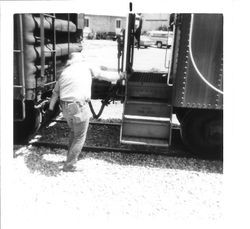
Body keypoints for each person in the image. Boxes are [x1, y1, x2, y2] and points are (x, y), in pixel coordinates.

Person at [46, 52, 123, 172]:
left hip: (65, 107)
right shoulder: (86, 65)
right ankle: (70, 165)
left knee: (74, 133)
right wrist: (121, 76)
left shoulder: (65, 72)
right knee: (79, 137)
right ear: (81, 59)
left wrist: (50, 110)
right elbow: (103, 75)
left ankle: (69, 158)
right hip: (78, 106)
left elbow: (55, 93)